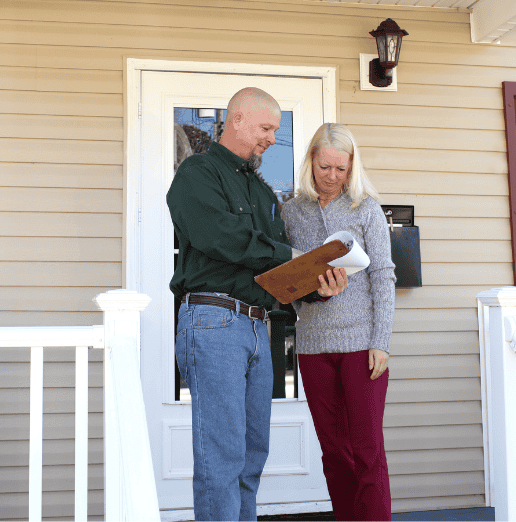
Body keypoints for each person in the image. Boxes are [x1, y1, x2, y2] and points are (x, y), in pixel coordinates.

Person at [166, 88, 347, 521]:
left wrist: (316, 283)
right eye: (266, 128)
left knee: (251, 454)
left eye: (275, 131)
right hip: (213, 320)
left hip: (258, 326)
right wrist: (291, 258)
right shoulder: (198, 173)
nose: (271, 138)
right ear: (238, 119)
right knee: (222, 454)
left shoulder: (265, 195)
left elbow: (275, 272)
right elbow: (222, 238)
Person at [281, 123, 396, 521]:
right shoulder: (291, 211)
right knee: (334, 451)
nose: (332, 176)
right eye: (325, 166)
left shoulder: (366, 210)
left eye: (341, 169)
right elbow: (286, 278)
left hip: (362, 346)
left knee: (367, 451)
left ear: (352, 168)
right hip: (313, 345)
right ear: (311, 160)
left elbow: (383, 274)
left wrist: (381, 341)